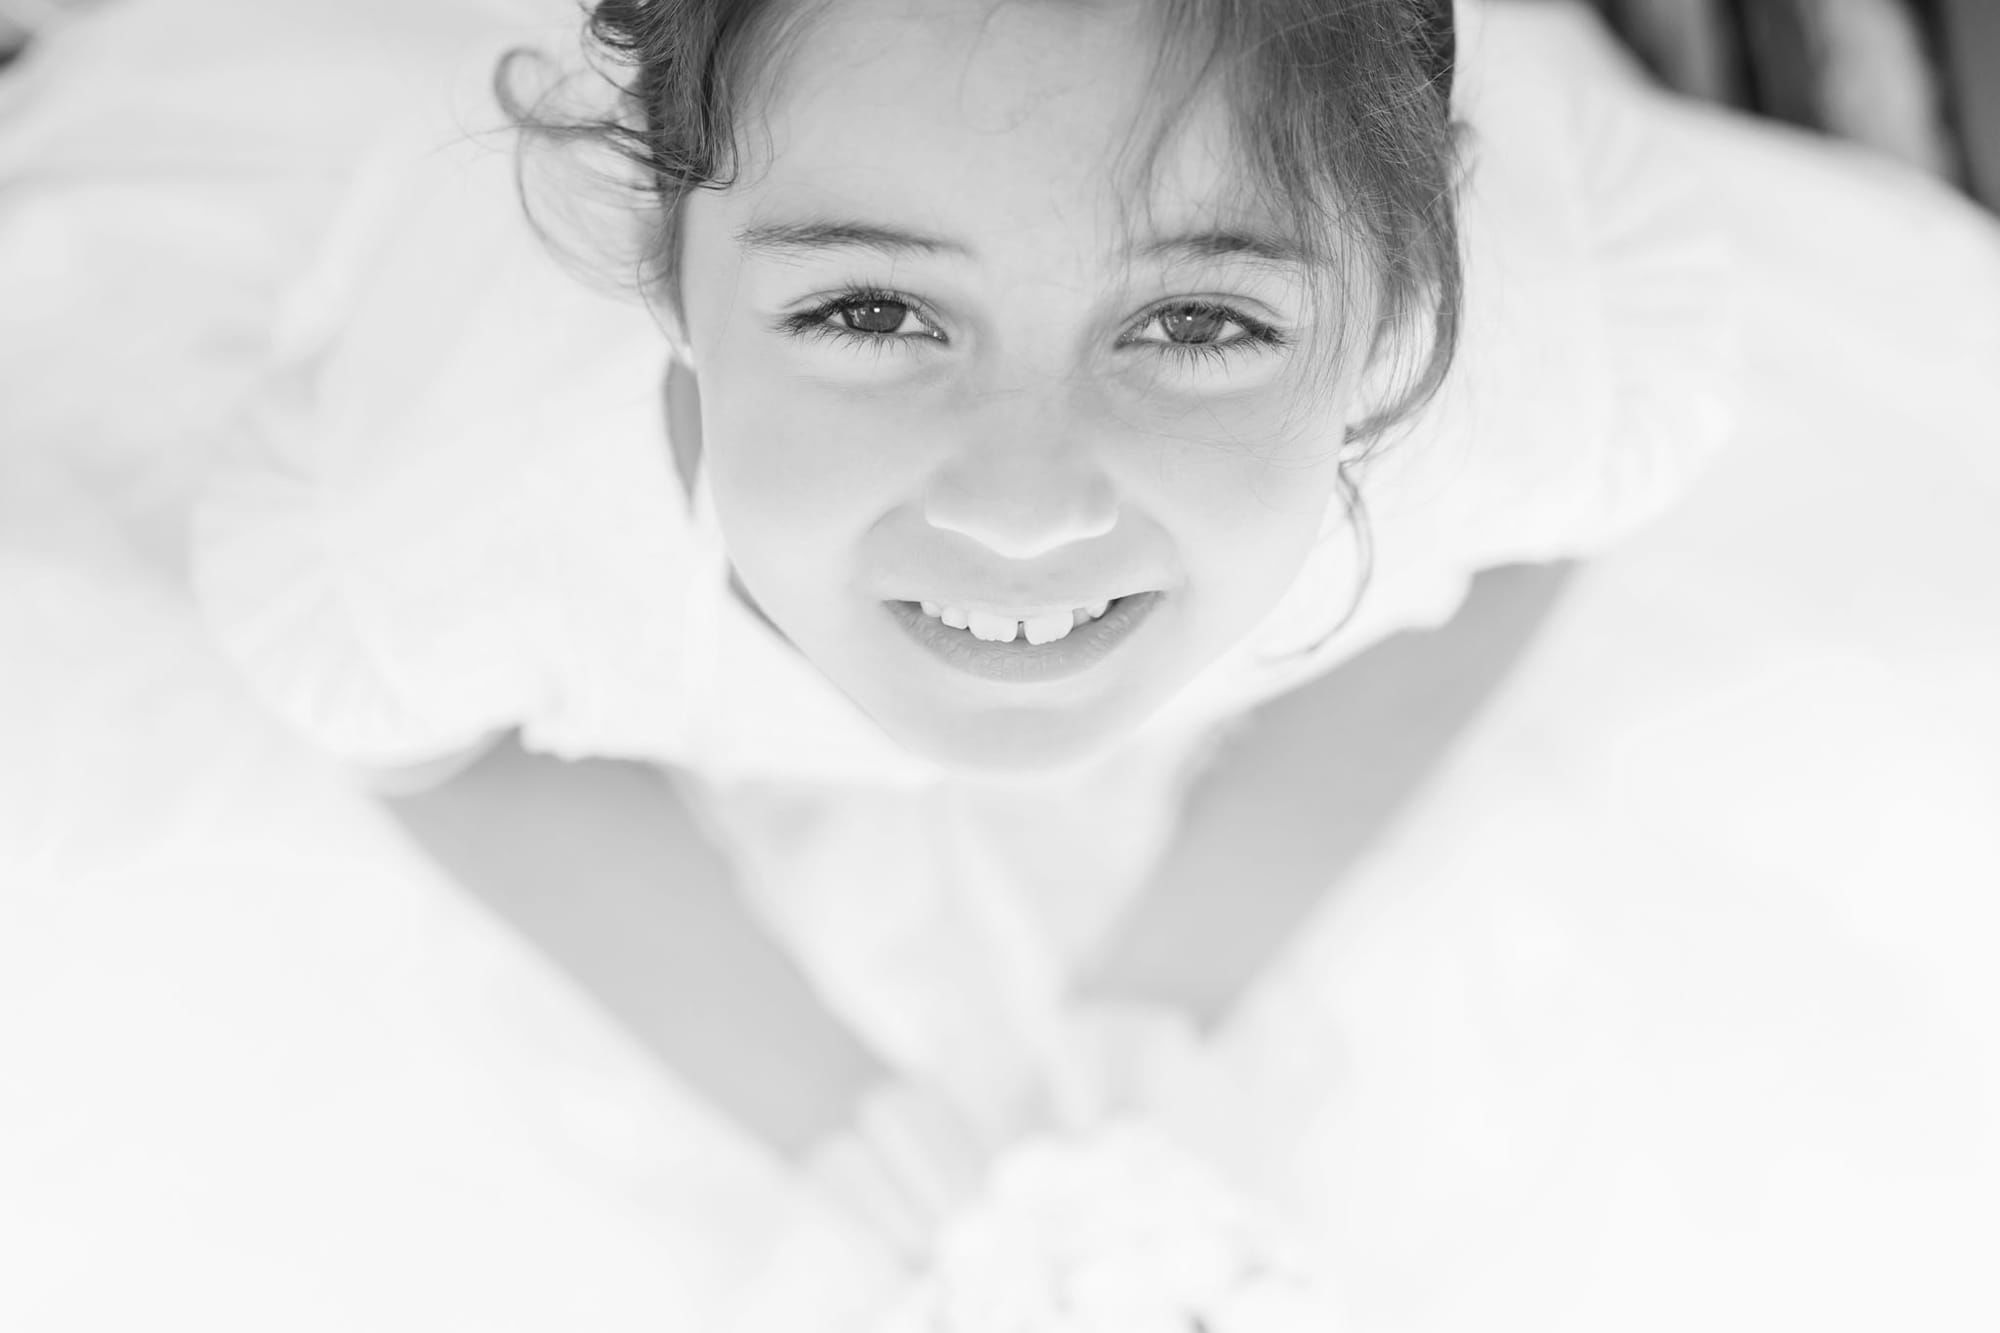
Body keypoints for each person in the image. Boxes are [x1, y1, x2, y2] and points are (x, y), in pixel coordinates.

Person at [3, 0, 1998, 1329]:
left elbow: (1515, 558)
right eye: (868, 309)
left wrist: (1178, 971)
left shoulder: (1539, 365)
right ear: (650, 259)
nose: (1027, 504)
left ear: (1400, 323)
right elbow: (426, 743)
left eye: (1201, 324)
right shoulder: (440, 522)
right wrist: (821, 1099)